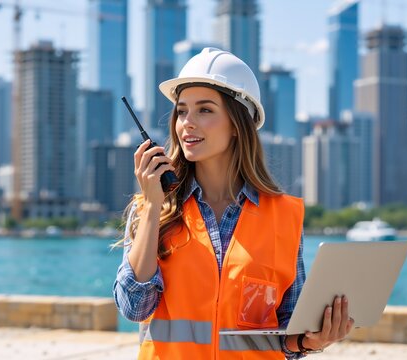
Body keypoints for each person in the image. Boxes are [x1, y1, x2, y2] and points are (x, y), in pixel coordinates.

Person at [113, 47, 353, 359]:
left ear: (238, 124)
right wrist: (153, 207)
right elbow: (134, 307)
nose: (187, 122)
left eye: (205, 110)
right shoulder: (151, 208)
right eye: (182, 111)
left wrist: (312, 340)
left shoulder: (284, 216)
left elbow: (284, 333)